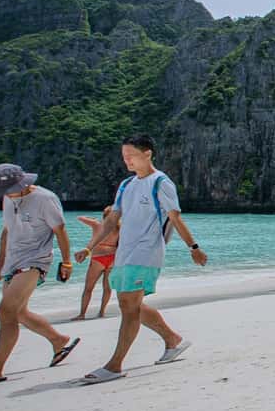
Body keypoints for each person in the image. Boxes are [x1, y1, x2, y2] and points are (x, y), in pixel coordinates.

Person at [74, 135, 207, 383]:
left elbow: (175, 218)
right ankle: (173, 340)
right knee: (130, 304)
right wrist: (89, 247)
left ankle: (114, 365)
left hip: (147, 251)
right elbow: (111, 220)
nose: (127, 161)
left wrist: (194, 247)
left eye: (131, 156)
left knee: (129, 306)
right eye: (124, 157)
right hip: (124, 252)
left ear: (147, 154)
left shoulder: (161, 183)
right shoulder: (126, 184)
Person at [0, 164, 80, 389]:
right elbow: (7, 230)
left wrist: (66, 262)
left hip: (36, 260)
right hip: (12, 260)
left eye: (9, 189)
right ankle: (58, 341)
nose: (6, 194)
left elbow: (60, 231)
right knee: (19, 313)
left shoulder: (45, 199)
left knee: (6, 310)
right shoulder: (8, 197)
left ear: (23, 183)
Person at [72, 207, 118, 320]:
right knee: (107, 288)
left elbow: (80, 218)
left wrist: (91, 218)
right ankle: (101, 312)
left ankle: (82, 314)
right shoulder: (119, 228)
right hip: (113, 258)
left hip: (98, 258)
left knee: (88, 288)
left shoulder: (97, 225)